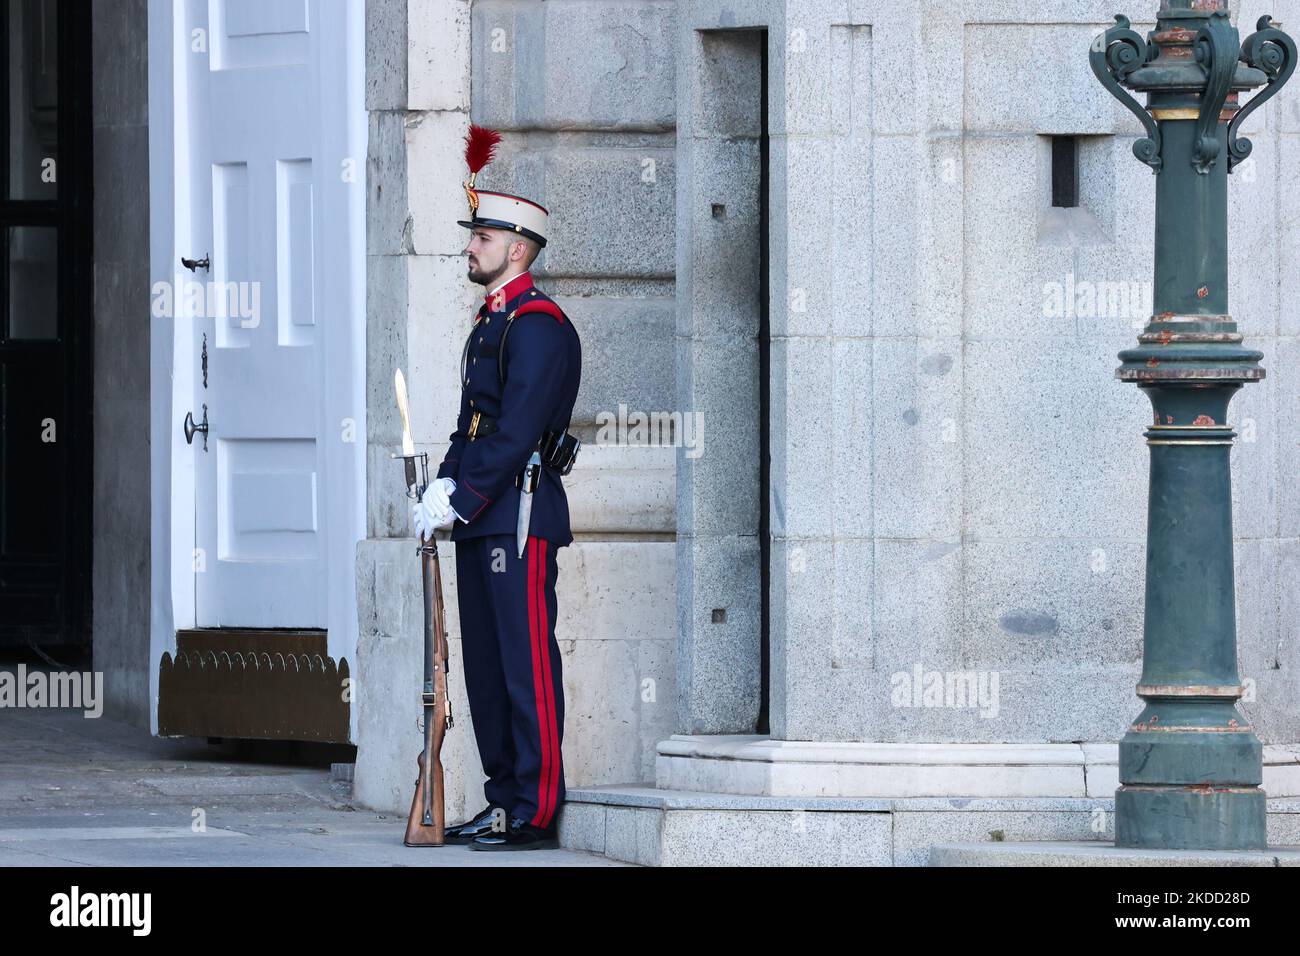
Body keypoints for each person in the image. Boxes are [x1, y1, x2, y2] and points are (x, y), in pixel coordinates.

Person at [412, 126, 582, 851]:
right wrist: (441, 489)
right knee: (484, 668)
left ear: (518, 248)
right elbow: (473, 427)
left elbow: (515, 437)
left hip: (519, 515)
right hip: (485, 515)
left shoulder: (538, 326)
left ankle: (536, 808)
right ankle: (502, 797)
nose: (470, 245)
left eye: (482, 235)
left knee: (524, 664)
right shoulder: (492, 324)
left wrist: (463, 493)